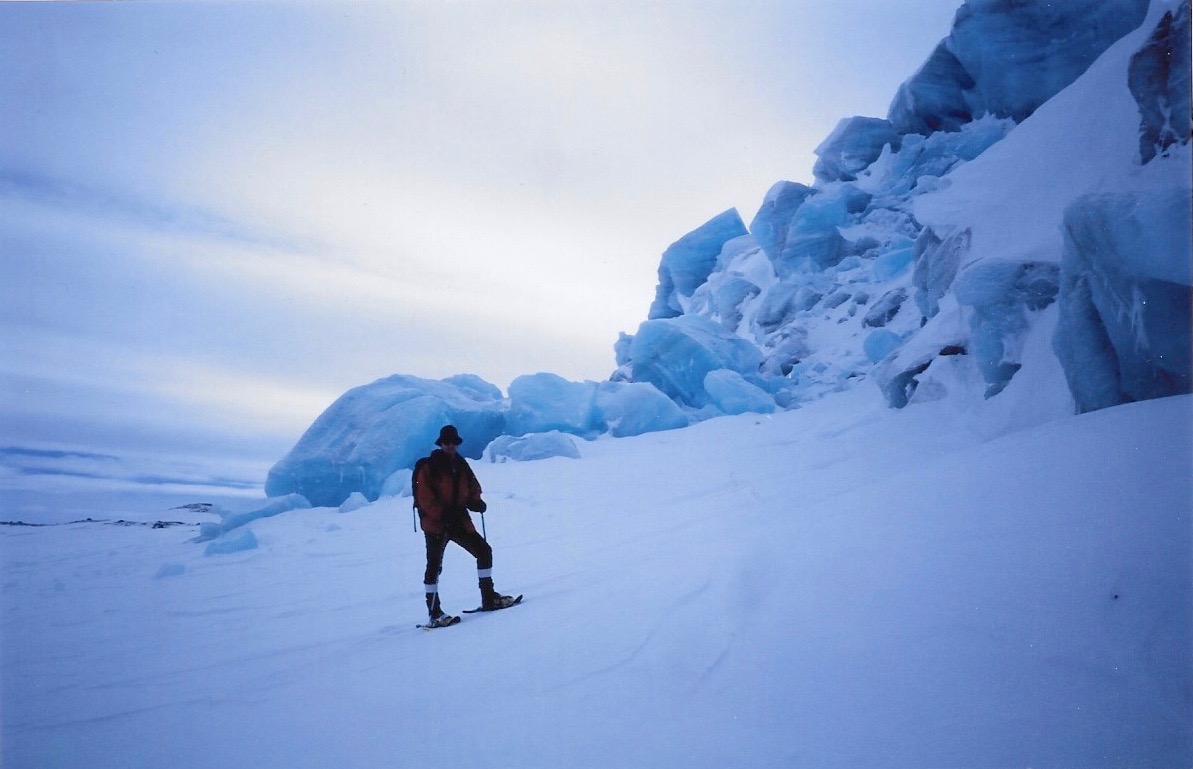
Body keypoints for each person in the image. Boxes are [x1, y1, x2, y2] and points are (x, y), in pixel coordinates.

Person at [414, 424, 516, 627]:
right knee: (434, 567)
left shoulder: (460, 465)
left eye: (453, 442)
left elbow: (472, 486)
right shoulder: (429, 467)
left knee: (484, 551)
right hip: (436, 525)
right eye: (447, 442)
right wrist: (442, 514)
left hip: (458, 521)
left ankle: (488, 597)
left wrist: (475, 501)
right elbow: (424, 498)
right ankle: (434, 613)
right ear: (441, 443)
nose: (450, 445)